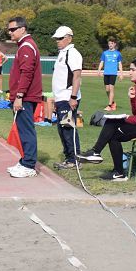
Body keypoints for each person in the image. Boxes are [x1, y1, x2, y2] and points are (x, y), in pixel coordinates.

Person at [77, 57, 136, 182]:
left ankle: (96, 152)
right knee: (112, 134)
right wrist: (132, 99)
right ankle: (118, 172)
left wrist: (126, 119)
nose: (129, 72)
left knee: (112, 124)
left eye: (132, 70)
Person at [5, 17, 41, 178]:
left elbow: (27, 73)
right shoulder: (24, 46)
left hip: (25, 97)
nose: (10, 32)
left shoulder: (27, 46)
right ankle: (24, 160)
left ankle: (29, 165)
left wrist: (19, 96)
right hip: (24, 96)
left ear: (23, 29)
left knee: (26, 130)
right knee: (22, 129)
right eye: (9, 30)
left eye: (13, 29)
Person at [51, 26, 82, 170]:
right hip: (61, 98)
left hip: (68, 97)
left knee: (68, 128)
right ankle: (69, 158)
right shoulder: (62, 53)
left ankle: (74, 159)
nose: (57, 41)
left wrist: (73, 97)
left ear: (69, 38)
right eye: (56, 38)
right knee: (62, 129)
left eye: (60, 38)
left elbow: (77, 76)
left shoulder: (73, 53)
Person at [97, 38, 123, 110]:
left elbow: (120, 64)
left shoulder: (118, 53)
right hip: (106, 73)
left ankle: (109, 105)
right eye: (109, 44)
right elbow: (102, 62)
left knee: (111, 89)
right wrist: (99, 70)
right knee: (107, 90)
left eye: (111, 43)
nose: (110, 45)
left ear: (114, 44)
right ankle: (113, 103)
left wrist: (121, 74)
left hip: (113, 73)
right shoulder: (105, 53)